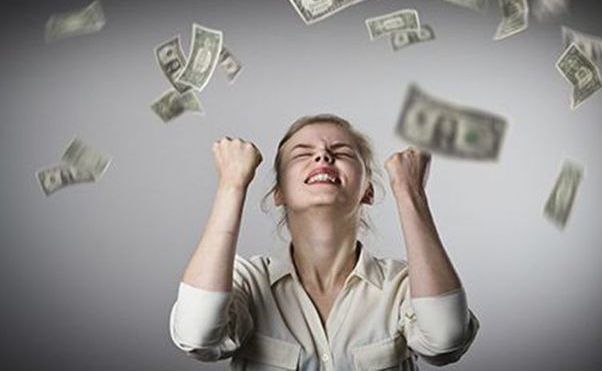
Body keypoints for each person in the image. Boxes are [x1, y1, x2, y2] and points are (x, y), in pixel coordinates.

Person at [169, 114, 479, 369]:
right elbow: (197, 336)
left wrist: (410, 193)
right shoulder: (249, 282)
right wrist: (231, 185)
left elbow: (446, 340)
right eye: (302, 153)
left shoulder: (401, 285)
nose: (323, 155)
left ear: (368, 191)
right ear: (279, 192)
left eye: (342, 153)